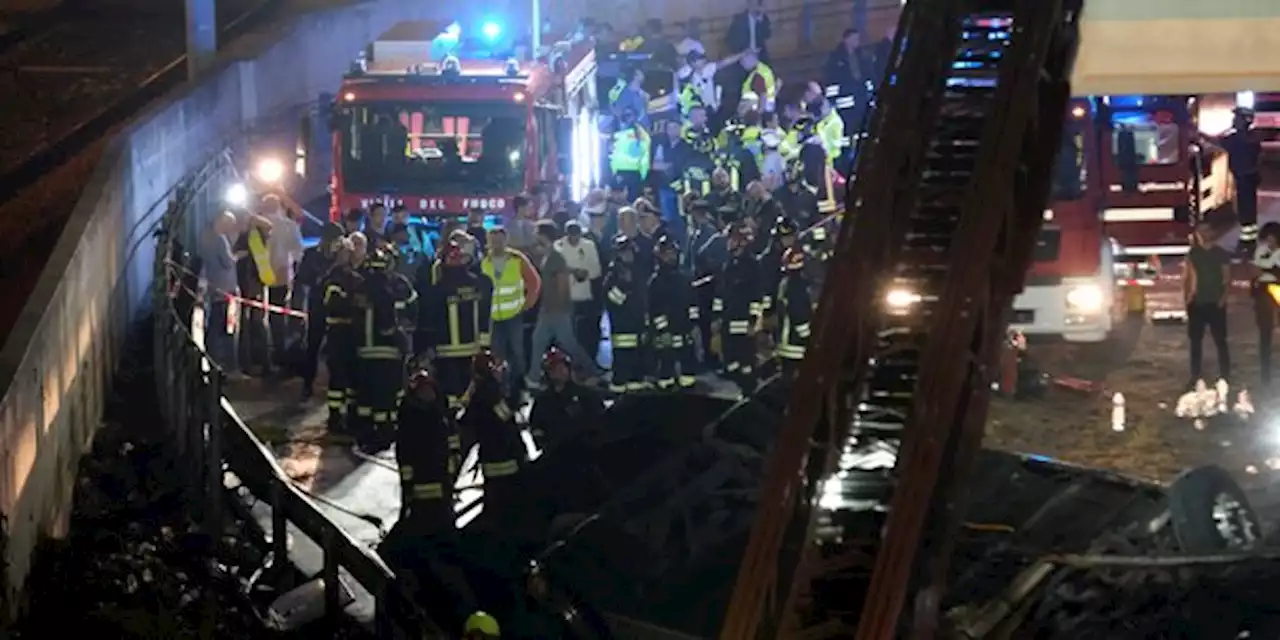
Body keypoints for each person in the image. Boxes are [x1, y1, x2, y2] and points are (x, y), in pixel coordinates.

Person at [352, 248, 416, 451]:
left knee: (366, 397)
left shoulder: (360, 287)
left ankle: (366, 431)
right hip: (388, 351)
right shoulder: (392, 288)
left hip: (363, 350)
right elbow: (403, 317)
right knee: (387, 395)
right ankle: (386, 431)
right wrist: (403, 339)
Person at [418, 242, 494, 409]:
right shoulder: (476, 284)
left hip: (459, 351)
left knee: (463, 391)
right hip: (451, 351)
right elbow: (431, 319)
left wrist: (484, 344)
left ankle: (459, 423)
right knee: (457, 391)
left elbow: (484, 315)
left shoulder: (440, 287)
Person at [526, 222, 597, 387]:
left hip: (555, 310)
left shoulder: (555, 257)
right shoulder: (549, 255)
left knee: (567, 344)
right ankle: (534, 376)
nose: (535, 236)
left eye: (537, 233)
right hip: (549, 309)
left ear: (544, 235)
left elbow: (562, 283)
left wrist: (559, 307)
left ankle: (592, 371)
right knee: (540, 341)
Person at [460, 349, 526, 526]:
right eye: (498, 368)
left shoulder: (482, 392)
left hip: (493, 459)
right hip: (503, 459)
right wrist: (514, 398)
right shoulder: (488, 391)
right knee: (506, 508)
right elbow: (502, 418)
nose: (501, 371)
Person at [396, 369, 459, 533]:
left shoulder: (439, 411)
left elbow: (450, 436)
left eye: (430, 389)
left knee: (444, 514)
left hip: (441, 474)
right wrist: (408, 484)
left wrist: (453, 461)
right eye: (423, 390)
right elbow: (404, 452)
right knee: (423, 517)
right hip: (422, 477)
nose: (428, 393)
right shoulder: (411, 419)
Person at [479, 228, 541, 391]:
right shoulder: (484, 261)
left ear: (506, 240)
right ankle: (500, 385)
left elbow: (534, 283)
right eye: (493, 241)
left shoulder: (517, 259)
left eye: (499, 240)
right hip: (492, 317)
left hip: (514, 314)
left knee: (517, 351)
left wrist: (527, 305)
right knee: (496, 353)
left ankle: (519, 385)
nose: (496, 244)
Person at [295, 223, 345, 399]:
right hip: (318, 307)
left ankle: (336, 386)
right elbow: (306, 279)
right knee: (312, 347)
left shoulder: (343, 256)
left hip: (338, 309)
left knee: (336, 350)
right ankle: (307, 384)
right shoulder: (311, 256)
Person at [1182, 221, 1232, 387]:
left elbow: (1227, 278)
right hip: (1197, 303)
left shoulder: (1220, 253)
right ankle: (1195, 375)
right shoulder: (1193, 253)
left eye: (1206, 230)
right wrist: (1187, 299)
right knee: (1196, 341)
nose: (1203, 234)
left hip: (1215, 303)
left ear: (1211, 232)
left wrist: (1223, 298)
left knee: (1220, 340)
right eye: (1200, 231)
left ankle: (1225, 374)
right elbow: (1187, 277)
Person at [715, 223, 763, 394]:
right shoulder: (727, 264)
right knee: (731, 361)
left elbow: (757, 296)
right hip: (729, 321)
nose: (728, 243)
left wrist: (753, 321)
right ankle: (740, 385)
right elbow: (720, 293)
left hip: (744, 322)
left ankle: (750, 391)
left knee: (746, 361)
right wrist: (717, 317)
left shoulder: (752, 265)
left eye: (731, 239)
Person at [321, 237, 362, 432]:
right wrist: (354, 304)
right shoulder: (334, 278)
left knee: (352, 376)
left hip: (350, 332)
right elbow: (333, 304)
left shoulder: (352, 276)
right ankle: (336, 418)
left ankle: (349, 415)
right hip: (339, 332)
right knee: (338, 376)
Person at [528, 347, 606, 449]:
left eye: (561, 367)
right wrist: (543, 444)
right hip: (555, 455)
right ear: (547, 374)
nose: (558, 371)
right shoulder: (543, 400)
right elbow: (536, 426)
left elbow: (602, 421)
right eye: (553, 369)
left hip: (585, 452)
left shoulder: (586, 395)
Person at [649, 236, 700, 389]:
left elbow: (692, 304)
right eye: (667, 254)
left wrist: (694, 325)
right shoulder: (655, 282)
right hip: (666, 337)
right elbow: (655, 310)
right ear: (659, 256)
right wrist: (663, 331)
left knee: (688, 375)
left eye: (673, 253)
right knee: (666, 374)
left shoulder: (683, 279)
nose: (671, 257)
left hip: (685, 333)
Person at [199, 211, 245, 379]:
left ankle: (213, 362)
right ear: (222, 222)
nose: (231, 228)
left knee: (213, 327)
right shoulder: (220, 239)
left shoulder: (205, 237)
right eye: (229, 224)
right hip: (225, 289)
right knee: (226, 328)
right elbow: (227, 262)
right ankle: (228, 367)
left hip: (214, 287)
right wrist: (237, 257)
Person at [555, 220, 604, 362]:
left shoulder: (589, 246)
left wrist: (584, 273)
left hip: (584, 296)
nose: (574, 238)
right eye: (571, 235)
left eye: (577, 235)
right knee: (566, 334)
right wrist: (572, 271)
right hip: (564, 296)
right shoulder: (558, 246)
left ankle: (585, 362)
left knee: (584, 333)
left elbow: (596, 270)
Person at [603, 236, 647, 393]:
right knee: (622, 357)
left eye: (630, 251)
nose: (629, 255)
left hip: (636, 323)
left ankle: (635, 380)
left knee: (637, 355)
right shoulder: (614, 274)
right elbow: (612, 300)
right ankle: (619, 383)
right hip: (622, 325)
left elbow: (642, 296)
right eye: (625, 252)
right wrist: (623, 285)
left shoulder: (637, 271)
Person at [773, 246, 812, 377]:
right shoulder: (797, 287)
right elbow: (799, 315)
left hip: (785, 344)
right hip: (797, 346)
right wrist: (809, 338)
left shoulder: (785, 284)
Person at [1253, 222, 1280, 385]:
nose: (1269, 243)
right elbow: (1258, 269)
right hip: (1263, 293)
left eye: (1272, 239)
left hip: (1274, 291)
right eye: (1267, 239)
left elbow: (1263, 269)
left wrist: (1265, 271)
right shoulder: (1261, 251)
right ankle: (1266, 370)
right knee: (1265, 332)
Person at [609, 108, 651, 198]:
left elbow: (645, 155)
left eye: (629, 115)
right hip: (619, 172)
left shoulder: (641, 134)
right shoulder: (616, 133)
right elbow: (612, 154)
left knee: (634, 202)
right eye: (624, 116)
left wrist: (643, 175)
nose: (626, 118)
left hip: (635, 172)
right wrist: (613, 172)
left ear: (635, 117)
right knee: (618, 202)